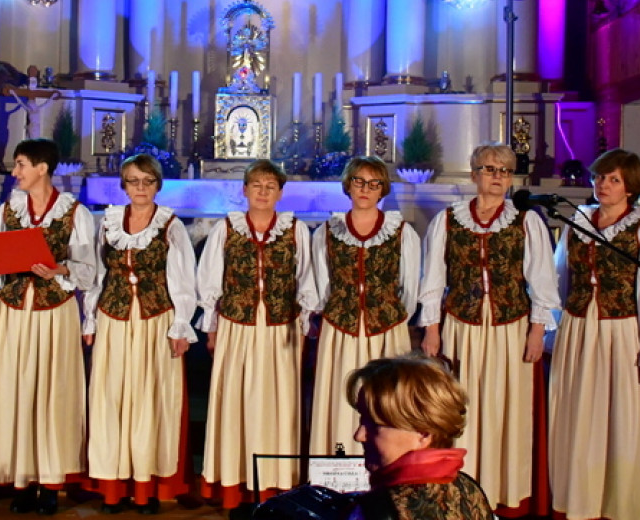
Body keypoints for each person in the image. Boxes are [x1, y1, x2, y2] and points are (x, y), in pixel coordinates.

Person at [419, 142, 559, 517]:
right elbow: (432, 279)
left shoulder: (526, 221)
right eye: (490, 169)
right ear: (474, 174)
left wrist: (537, 330)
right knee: (462, 409)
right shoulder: (448, 220)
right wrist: (432, 329)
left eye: (504, 171)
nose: (497, 177)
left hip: (510, 327)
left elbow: (542, 282)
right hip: (462, 327)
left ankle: (503, 493)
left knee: (505, 408)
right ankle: (460, 489)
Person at [548, 148, 640, 520]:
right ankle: (580, 499)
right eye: (600, 177)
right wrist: (553, 329)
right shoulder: (579, 220)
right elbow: (561, 276)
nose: (603, 185)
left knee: (621, 417)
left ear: (631, 187)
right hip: (578, 329)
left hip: (623, 332)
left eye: (614, 179)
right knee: (579, 414)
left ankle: (622, 504)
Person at [0, 139, 96, 515]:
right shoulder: (9, 209)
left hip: (53, 311)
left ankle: (49, 480)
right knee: (14, 391)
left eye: (21, 164)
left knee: (51, 393)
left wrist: (61, 270)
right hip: (12, 311)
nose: (15, 172)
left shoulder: (75, 213)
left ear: (42, 168)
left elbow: (88, 272)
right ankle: (21, 478)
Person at [198, 159, 318, 509]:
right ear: (245, 190)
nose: (263, 192)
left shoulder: (295, 230)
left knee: (278, 402)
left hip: (281, 327)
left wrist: (302, 322)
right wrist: (212, 326)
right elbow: (210, 280)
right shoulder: (226, 229)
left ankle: (275, 484)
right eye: (257, 185)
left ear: (280, 193)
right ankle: (236, 481)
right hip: (237, 324)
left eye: (270, 187)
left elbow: (307, 278)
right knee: (236, 399)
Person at [83, 154, 197, 514]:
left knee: (149, 401)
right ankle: (114, 489)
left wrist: (181, 326)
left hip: (154, 321)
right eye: (134, 181)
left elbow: (182, 280)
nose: (141, 188)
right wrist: (90, 319)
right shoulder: (108, 222)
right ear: (124, 185)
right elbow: (96, 274)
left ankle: (146, 488)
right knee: (112, 400)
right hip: (114, 318)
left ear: (158, 185)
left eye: (148, 181)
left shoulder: (170, 225)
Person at [309, 156, 421, 457]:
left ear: (382, 189)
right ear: (348, 185)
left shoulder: (400, 231)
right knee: (342, 396)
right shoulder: (328, 232)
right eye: (359, 181)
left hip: (385, 330)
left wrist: (388, 314)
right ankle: (338, 467)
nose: (365, 189)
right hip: (341, 329)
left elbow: (409, 287)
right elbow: (322, 283)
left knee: (384, 398)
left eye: (374, 183)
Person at [344, 354, 494, 520]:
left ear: (423, 433)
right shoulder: (468, 488)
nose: (359, 436)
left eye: (375, 425)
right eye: (362, 420)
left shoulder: (378, 510)